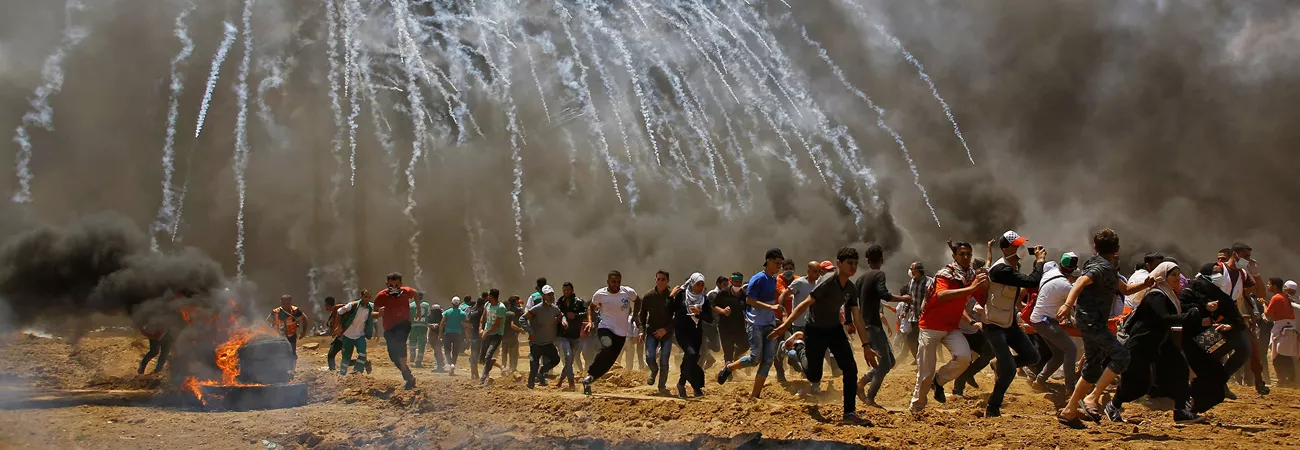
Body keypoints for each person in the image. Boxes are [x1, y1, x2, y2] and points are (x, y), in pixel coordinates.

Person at [1054, 229, 1155, 428]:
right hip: (1091, 321)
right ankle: (1092, 398)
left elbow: (1125, 290)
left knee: (1092, 368)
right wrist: (1067, 304)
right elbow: (1081, 281)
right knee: (1121, 356)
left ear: (1095, 247)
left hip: (1090, 321)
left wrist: (1145, 285)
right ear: (1117, 248)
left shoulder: (1100, 265)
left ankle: (1069, 411)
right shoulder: (1102, 267)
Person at [769, 247, 872, 424]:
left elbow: (857, 318)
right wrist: (785, 325)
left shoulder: (851, 288)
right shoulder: (827, 282)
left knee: (850, 369)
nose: (853, 267)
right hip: (815, 329)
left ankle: (849, 413)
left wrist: (866, 346)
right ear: (839, 264)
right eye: (849, 263)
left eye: (856, 263)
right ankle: (798, 346)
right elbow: (804, 304)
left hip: (834, 329)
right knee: (814, 376)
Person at [1106, 262, 1206, 424]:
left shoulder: (1169, 295)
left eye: (1178, 275)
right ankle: (1113, 405)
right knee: (1139, 385)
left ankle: (1180, 411)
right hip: (1142, 343)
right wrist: (1190, 316)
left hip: (1160, 342)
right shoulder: (1156, 295)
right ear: (1162, 277)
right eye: (1173, 275)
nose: (1177, 278)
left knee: (1180, 369)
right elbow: (1164, 318)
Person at [910, 242, 984, 413]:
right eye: (962, 254)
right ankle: (916, 408)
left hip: (951, 327)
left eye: (968, 254)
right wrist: (971, 288)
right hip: (931, 326)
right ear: (954, 256)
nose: (966, 257)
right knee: (925, 372)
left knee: (964, 358)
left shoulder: (970, 275)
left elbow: (981, 293)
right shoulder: (946, 273)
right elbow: (941, 295)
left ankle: (938, 381)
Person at [976, 231, 1044, 417]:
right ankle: (992, 407)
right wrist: (1039, 261)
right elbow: (1032, 281)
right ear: (1005, 249)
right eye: (1016, 246)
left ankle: (999, 363)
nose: (1021, 248)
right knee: (1010, 371)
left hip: (1008, 321)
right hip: (993, 324)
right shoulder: (1002, 270)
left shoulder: (1014, 266)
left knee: (1032, 356)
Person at [716, 248, 785, 399]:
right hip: (756, 323)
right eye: (776, 263)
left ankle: (755, 395)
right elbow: (749, 300)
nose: (779, 267)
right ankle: (729, 367)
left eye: (780, 264)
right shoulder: (758, 278)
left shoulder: (773, 279)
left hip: (769, 323)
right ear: (768, 261)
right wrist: (771, 308)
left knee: (767, 361)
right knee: (755, 359)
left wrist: (774, 317)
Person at [856, 245, 910, 409]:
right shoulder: (879, 275)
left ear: (867, 260)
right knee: (885, 363)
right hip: (873, 326)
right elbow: (884, 294)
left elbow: (853, 301)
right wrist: (904, 299)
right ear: (881, 260)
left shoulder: (860, 279)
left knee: (890, 361)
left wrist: (851, 322)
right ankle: (870, 398)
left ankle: (862, 382)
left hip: (868, 325)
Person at [1215, 246, 1270, 396]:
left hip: (1234, 319)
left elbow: (1258, 293)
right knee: (1212, 351)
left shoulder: (1242, 274)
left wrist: (1256, 273)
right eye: (1218, 258)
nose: (1220, 260)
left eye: (1222, 258)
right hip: (1215, 317)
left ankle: (1258, 381)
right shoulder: (1216, 270)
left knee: (1250, 347)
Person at [580, 270, 640, 395]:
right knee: (607, 345)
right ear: (608, 281)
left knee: (610, 361)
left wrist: (635, 315)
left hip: (621, 333)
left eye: (618, 282)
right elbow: (591, 307)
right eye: (613, 282)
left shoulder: (627, 291)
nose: (616, 284)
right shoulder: (600, 294)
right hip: (605, 327)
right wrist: (590, 321)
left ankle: (590, 379)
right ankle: (591, 372)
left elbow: (638, 300)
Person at [1029, 253, 1081, 392]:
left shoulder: (1050, 271)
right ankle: (1070, 389)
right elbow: (1074, 305)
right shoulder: (1066, 287)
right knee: (1071, 349)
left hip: (1038, 319)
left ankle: (1039, 381)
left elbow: (1046, 264)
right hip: (1046, 322)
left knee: (1059, 354)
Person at [669, 273, 715, 398]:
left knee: (693, 359)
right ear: (691, 284)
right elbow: (670, 308)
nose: (700, 287)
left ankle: (687, 385)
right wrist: (671, 296)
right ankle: (688, 385)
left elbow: (710, 318)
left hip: (696, 333)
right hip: (682, 332)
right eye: (697, 284)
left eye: (702, 285)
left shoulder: (704, 299)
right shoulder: (681, 295)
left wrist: (699, 313)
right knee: (691, 354)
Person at [373, 273, 419, 389]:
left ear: (401, 284)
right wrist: (379, 313)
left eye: (397, 285)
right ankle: (408, 375)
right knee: (393, 355)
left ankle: (404, 369)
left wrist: (419, 310)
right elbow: (373, 314)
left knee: (400, 342)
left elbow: (415, 293)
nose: (394, 288)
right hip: (389, 327)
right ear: (387, 284)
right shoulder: (381, 296)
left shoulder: (406, 292)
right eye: (391, 285)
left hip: (404, 323)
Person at [639, 270, 675, 393]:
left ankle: (662, 386)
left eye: (663, 279)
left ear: (667, 281)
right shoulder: (648, 296)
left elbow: (677, 316)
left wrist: (666, 329)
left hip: (667, 333)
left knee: (664, 361)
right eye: (658, 279)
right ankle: (654, 370)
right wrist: (641, 331)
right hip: (652, 331)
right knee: (650, 357)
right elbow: (642, 315)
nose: (660, 282)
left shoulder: (672, 296)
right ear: (655, 280)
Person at [525, 285, 563, 389]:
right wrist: (530, 332)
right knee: (534, 363)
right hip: (536, 341)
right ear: (544, 296)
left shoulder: (554, 309)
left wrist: (562, 321)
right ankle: (530, 384)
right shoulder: (536, 309)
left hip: (548, 342)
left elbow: (561, 315)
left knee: (555, 360)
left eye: (552, 295)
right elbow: (522, 319)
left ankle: (541, 372)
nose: (551, 297)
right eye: (548, 295)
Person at [555, 282, 587, 391]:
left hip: (575, 336)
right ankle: (571, 383)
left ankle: (560, 380)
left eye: (568, 290)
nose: (566, 292)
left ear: (572, 290)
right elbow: (556, 313)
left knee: (570, 361)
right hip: (564, 335)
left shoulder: (579, 302)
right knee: (568, 357)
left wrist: (576, 315)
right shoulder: (560, 302)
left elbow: (587, 313)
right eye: (564, 290)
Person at [712, 273, 750, 365]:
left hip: (739, 326)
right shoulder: (724, 293)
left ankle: (736, 356)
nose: (737, 284)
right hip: (725, 327)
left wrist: (747, 317)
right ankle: (728, 370)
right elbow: (714, 306)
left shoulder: (743, 295)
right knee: (728, 352)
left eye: (739, 282)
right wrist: (723, 311)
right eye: (735, 282)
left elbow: (747, 309)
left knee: (746, 345)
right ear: (731, 282)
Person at [899, 262, 932, 365]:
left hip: (926, 318)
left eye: (911, 269)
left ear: (917, 270)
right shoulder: (911, 282)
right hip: (914, 317)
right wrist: (905, 310)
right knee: (911, 340)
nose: (910, 271)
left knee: (924, 341)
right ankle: (919, 361)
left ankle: (925, 362)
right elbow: (909, 297)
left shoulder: (929, 282)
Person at [335, 293, 375, 375]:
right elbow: (339, 312)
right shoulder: (353, 305)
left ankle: (358, 372)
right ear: (361, 296)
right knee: (346, 357)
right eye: (365, 297)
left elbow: (373, 318)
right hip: (348, 334)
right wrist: (339, 325)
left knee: (362, 353)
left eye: (368, 297)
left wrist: (376, 331)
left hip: (360, 335)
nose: (367, 299)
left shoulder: (371, 307)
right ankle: (342, 375)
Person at [1266, 279, 1297, 386]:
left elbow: (1268, 315)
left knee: (1277, 354)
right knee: (1285, 354)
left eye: (1269, 284)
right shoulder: (1287, 298)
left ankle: (1282, 378)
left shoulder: (1277, 297)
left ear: (1275, 286)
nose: (1267, 286)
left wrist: (1265, 306)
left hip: (1280, 328)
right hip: (1290, 328)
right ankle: (1290, 378)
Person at [478, 289, 508, 384]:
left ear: (491, 296)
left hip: (496, 335)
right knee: (482, 359)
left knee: (488, 355)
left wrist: (485, 333)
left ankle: (483, 378)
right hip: (487, 333)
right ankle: (491, 362)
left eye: (489, 295)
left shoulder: (501, 308)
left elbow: (496, 325)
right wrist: (480, 328)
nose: (487, 297)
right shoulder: (487, 304)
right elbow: (483, 317)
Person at [267, 294, 310, 361]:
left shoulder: (295, 311)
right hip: (279, 338)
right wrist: (270, 333)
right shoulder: (276, 312)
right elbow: (267, 322)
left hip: (291, 337)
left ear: (290, 302)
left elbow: (304, 318)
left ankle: (292, 367)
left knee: (292, 355)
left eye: (288, 303)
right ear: (281, 302)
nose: (286, 305)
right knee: (279, 355)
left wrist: (304, 332)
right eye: (284, 303)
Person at [440, 296, 467, 376]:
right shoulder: (462, 313)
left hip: (447, 333)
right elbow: (465, 325)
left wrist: (440, 334)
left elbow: (442, 323)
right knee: (455, 351)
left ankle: (450, 363)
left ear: (452, 303)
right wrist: (467, 336)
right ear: (459, 304)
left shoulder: (447, 312)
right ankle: (453, 364)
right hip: (458, 334)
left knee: (447, 350)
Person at [466, 293, 487, 380]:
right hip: (485, 337)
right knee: (486, 356)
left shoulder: (473, 314)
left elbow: (469, 327)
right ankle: (485, 375)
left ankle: (474, 375)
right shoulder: (486, 315)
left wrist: (468, 338)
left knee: (474, 356)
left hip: (474, 337)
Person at [409, 292, 433, 368]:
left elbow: (408, 316)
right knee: (422, 343)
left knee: (412, 341)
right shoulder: (426, 305)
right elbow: (429, 315)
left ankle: (412, 356)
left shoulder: (411, 305)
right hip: (423, 326)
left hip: (413, 326)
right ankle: (419, 360)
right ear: (422, 297)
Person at [503, 296, 525, 374]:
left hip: (504, 335)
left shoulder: (501, 313)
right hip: (513, 333)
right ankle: (513, 368)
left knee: (504, 353)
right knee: (514, 352)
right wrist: (521, 330)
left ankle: (503, 367)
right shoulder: (516, 311)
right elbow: (513, 324)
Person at [324, 296, 344, 372]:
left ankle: (332, 372)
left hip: (342, 338)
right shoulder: (338, 311)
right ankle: (363, 363)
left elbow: (329, 331)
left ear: (326, 305)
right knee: (345, 359)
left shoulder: (334, 313)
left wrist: (320, 333)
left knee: (331, 355)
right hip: (345, 337)